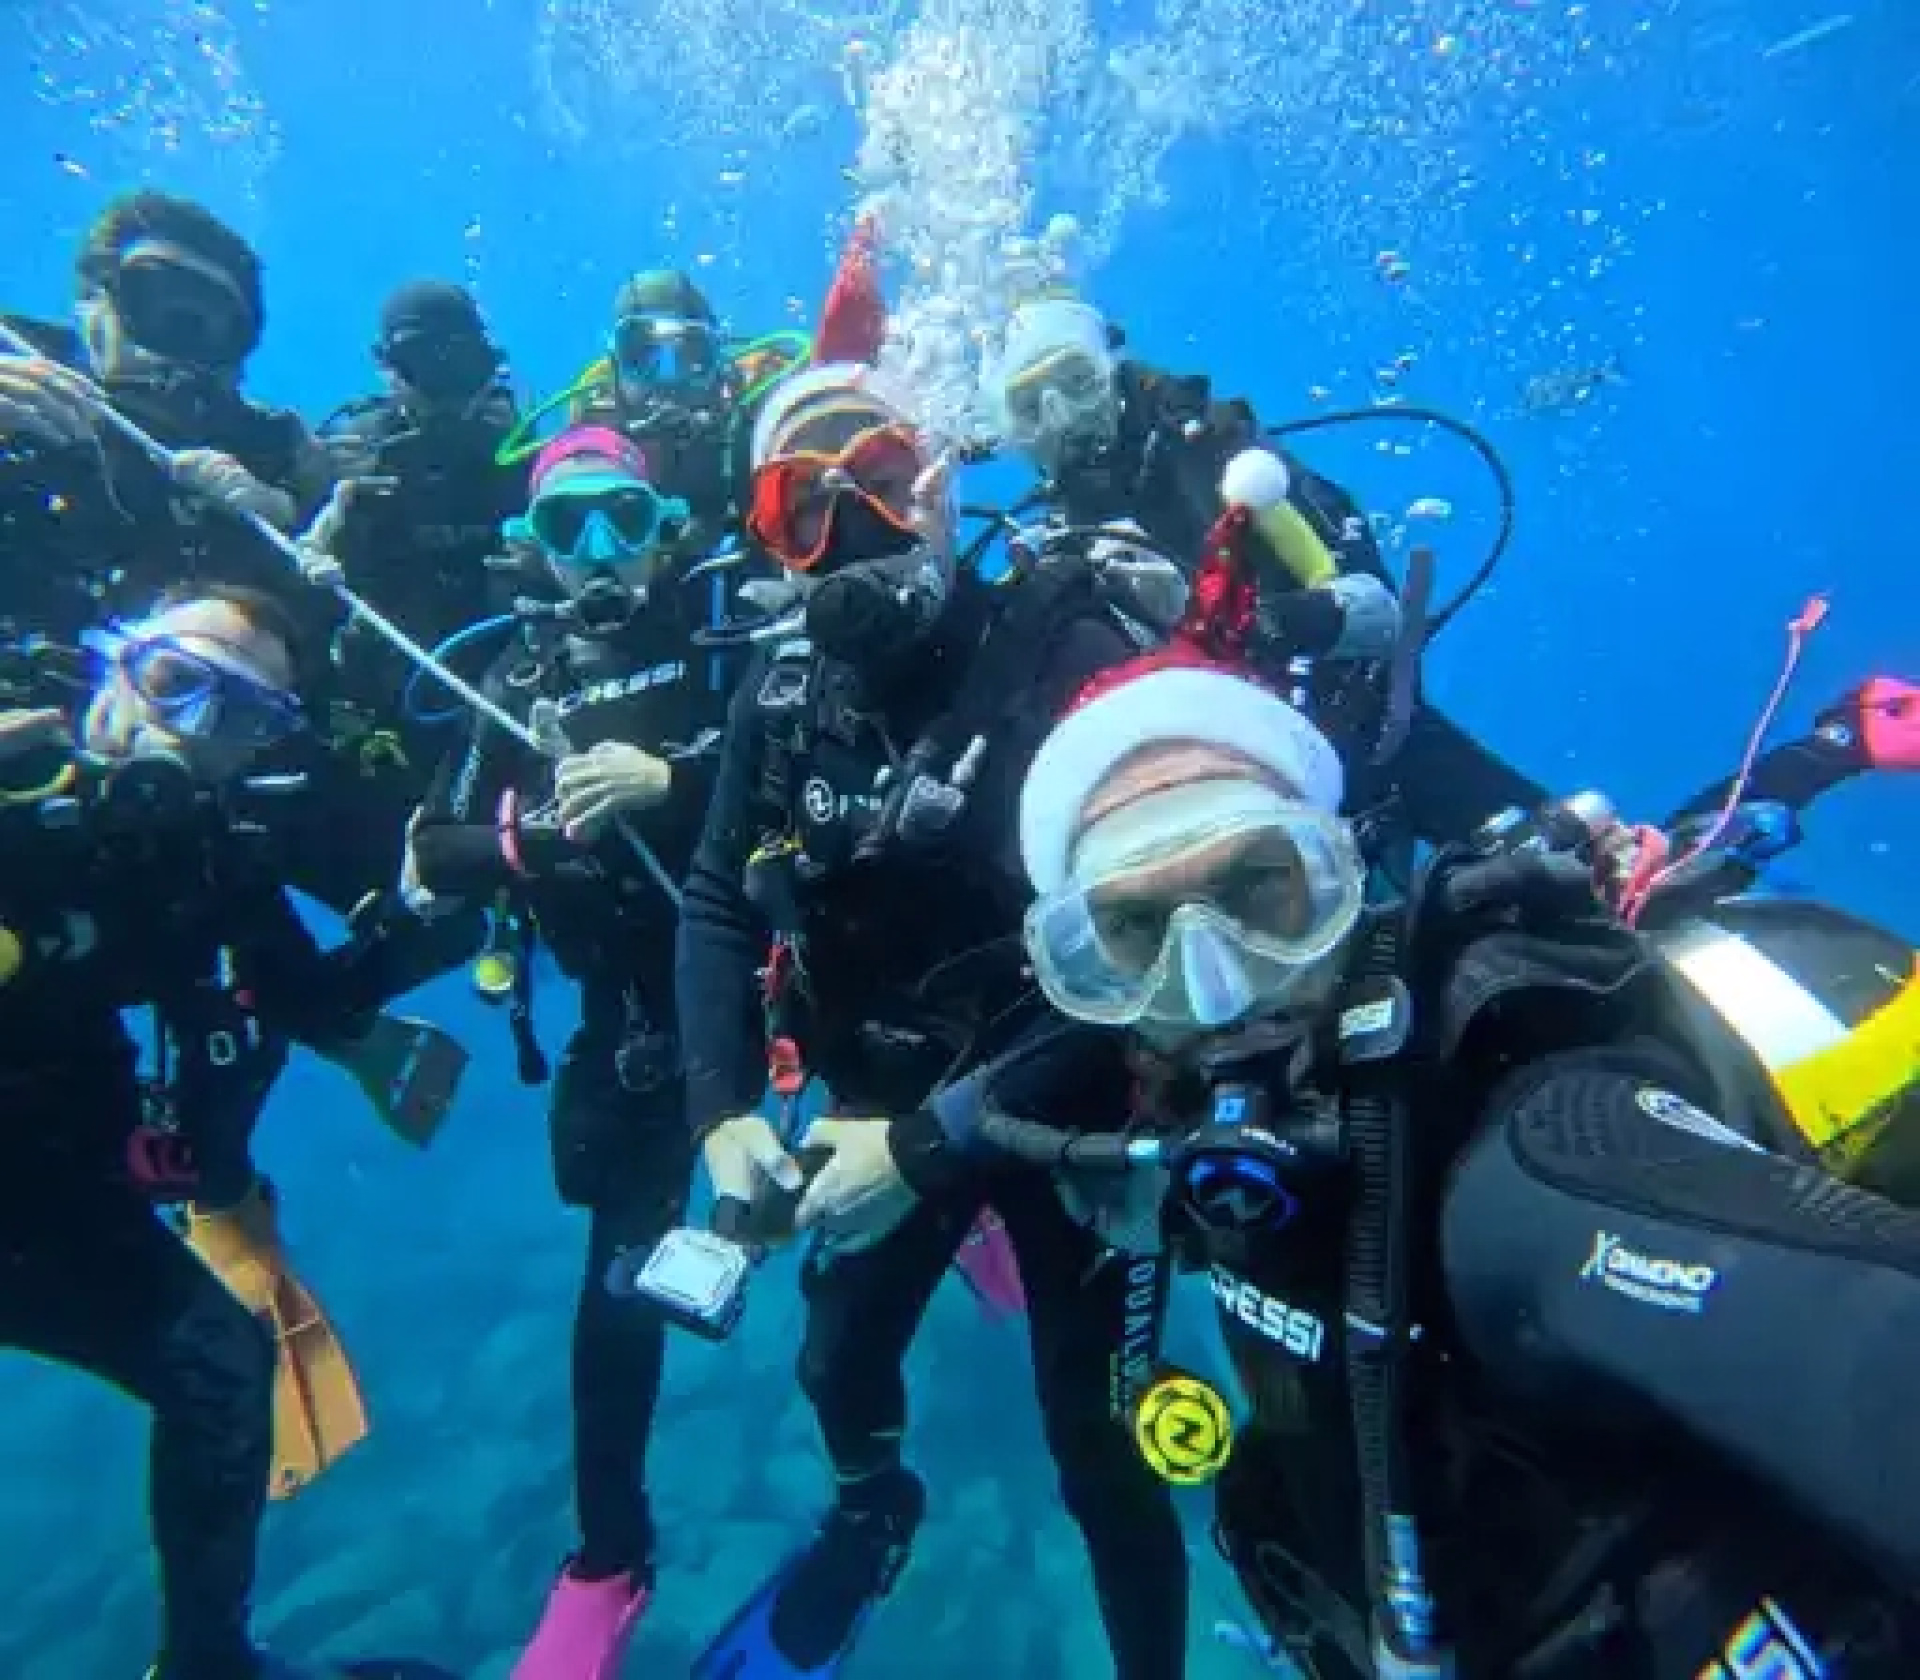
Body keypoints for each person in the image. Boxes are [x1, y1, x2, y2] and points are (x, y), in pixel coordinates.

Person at [904, 489, 1920, 1678]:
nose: (1218, 987)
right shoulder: (1249, 1183)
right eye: (1135, 934)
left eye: (1261, 892)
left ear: (1349, 878)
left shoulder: (1520, 1147)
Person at [674, 359, 1188, 1679]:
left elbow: (1154, 936)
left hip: (1055, 1109)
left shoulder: (1067, 658)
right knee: (836, 1368)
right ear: (768, 534)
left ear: (948, 484)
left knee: (1099, 1444)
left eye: (886, 482)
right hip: (869, 1112)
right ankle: (872, 1511)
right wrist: (721, 1110)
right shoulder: (780, 701)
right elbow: (719, 901)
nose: (850, 530)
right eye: (804, 503)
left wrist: (929, 1144)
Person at [0, 582, 462, 1680]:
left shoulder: (214, 856)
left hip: (43, 1191)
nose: (190, 732)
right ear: (111, 661)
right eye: (173, 685)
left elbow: (305, 997)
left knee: (218, 1363)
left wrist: (422, 911)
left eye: (242, 718)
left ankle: (207, 1665)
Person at [402, 424, 730, 1680]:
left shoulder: (725, 630)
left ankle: (949, 1198)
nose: (601, 550)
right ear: (530, 546)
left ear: (665, 526)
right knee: (619, 1286)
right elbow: (428, 855)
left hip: (782, 979)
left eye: (625, 519)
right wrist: (531, 844)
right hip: (637, 1028)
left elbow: (814, 754)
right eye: (566, 524)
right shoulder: (510, 678)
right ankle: (609, 1557)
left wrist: (671, 777)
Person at [981, 290, 1549, 858]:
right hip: (1205, 801)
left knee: (1560, 870)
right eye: (1030, 407)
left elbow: (1375, 611)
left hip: (1357, 746)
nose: (1062, 417)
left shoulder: (1222, 459)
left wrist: (1235, 623)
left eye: (1078, 381)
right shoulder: (1050, 548)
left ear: (1113, 371)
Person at [0, 189, 335, 645]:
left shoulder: (277, 455)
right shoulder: (15, 374)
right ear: (89, 303)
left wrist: (281, 526)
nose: (183, 343)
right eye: (159, 303)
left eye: (217, 326)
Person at [314, 279, 531, 748]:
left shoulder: (523, 455)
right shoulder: (351, 456)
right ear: (388, 367)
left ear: (489, 365)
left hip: (500, 695)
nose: (446, 389)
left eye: (462, 363)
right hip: (382, 695)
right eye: (424, 363)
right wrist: (323, 535)